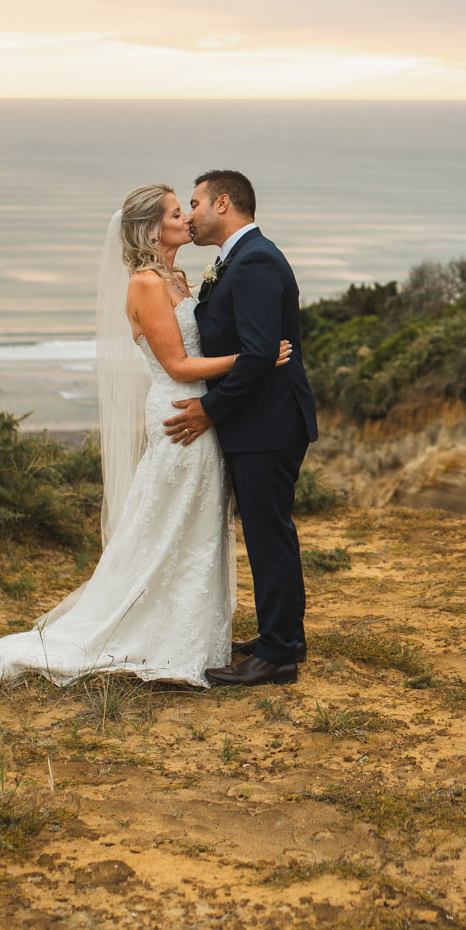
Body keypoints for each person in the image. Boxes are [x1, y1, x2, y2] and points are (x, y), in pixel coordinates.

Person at [0, 183, 292, 687]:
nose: (188, 218)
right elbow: (177, 363)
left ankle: (193, 629)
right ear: (151, 229)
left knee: (195, 525)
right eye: (177, 212)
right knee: (167, 522)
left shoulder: (179, 277)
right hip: (178, 412)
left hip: (202, 412)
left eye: (189, 207)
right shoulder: (145, 284)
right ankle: (145, 631)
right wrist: (251, 358)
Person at [162, 169, 319, 686]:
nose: (190, 213)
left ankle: (277, 655)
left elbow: (256, 355)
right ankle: (285, 634)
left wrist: (210, 411)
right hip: (265, 420)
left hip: (267, 423)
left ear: (223, 203)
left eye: (196, 202)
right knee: (271, 531)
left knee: (268, 534)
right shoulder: (239, 259)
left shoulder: (252, 262)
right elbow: (253, 349)